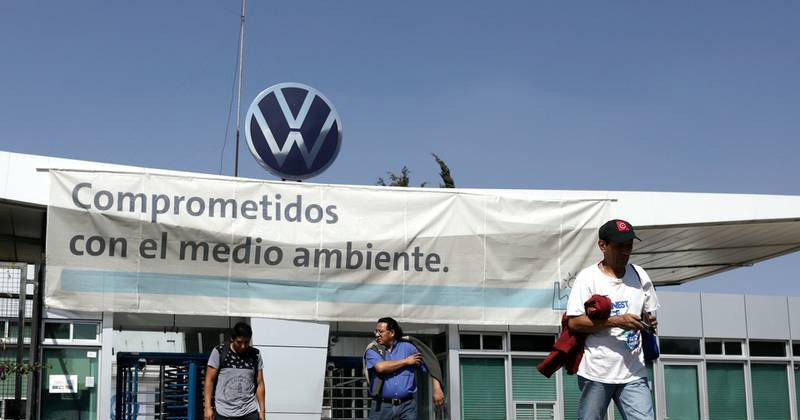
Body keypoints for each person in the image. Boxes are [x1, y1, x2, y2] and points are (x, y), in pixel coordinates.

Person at [566, 219, 659, 420]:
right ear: (602, 246)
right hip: (597, 372)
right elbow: (574, 322)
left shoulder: (640, 275)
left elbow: (650, 315)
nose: (625, 251)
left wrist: (649, 322)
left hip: (634, 372)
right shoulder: (588, 277)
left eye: (629, 246)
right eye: (619, 246)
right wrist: (617, 321)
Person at [364, 317, 445, 420]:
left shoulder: (408, 348)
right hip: (381, 407)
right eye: (376, 331)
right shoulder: (373, 350)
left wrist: (437, 388)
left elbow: (430, 364)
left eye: (381, 331)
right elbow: (381, 367)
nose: (377, 334)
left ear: (392, 333)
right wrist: (406, 361)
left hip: (407, 406)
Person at [204, 322, 266, 420]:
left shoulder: (255, 354)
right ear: (232, 339)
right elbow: (209, 380)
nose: (243, 346)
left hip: (249, 412)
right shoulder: (220, 351)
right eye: (239, 342)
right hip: (224, 413)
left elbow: (260, 383)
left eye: (246, 342)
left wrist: (262, 411)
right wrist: (207, 407)